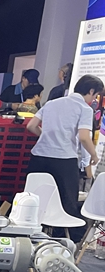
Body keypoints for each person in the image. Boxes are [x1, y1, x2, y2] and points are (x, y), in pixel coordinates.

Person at [26, 74, 103, 242]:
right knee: (67, 203)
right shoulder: (84, 109)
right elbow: (84, 137)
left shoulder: (51, 103)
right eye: (95, 95)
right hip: (63, 160)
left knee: (33, 199)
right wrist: (94, 155)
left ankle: (29, 236)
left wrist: (45, 137)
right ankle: (62, 242)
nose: (94, 100)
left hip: (38, 157)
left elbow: (31, 126)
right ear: (91, 91)